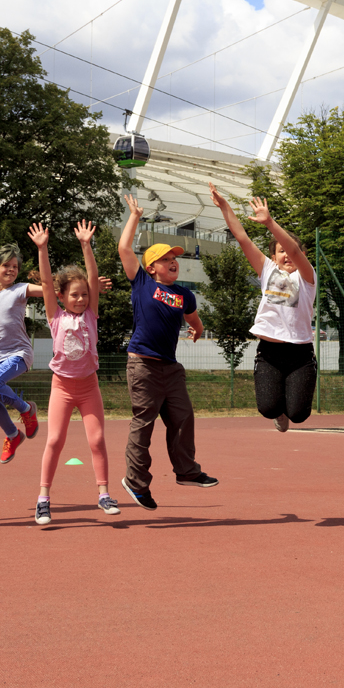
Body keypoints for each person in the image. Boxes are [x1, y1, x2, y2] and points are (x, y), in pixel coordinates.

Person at [117, 194, 216, 512]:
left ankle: (187, 471)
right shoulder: (142, 283)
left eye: (175, 258)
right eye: (165, 259)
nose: (173, 261)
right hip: (142, 365)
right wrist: (135, 216)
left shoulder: (184, 294)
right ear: (151, 267)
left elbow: (193, 319)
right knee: (143, 424)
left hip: (170, 368)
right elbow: (124, 249)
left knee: (183, 417)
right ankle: (136, 482)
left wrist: (197, 329)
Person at [28, 221, 119, 525]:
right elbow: (45, 280)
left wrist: (86, 245)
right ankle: (43, 499)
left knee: (97, 440)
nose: (81, 299)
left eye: (84, 295)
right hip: (62, 388)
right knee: (54, 440)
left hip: (89, 387)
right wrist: (42, 248)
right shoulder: (55, 316)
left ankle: (104, 494)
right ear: (62, 296)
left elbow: (92, 277)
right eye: (75, 295)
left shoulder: (91, 313)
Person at [209, 183, 316, 432]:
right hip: (270, 352)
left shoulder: (307, 277)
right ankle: (278, 411)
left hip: (300, 353)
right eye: (280, 252)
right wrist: (224, 206)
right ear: (274, 256)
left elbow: (294, 250)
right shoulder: (267, 269)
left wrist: (270, 223)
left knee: (299, 414)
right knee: (268, 408)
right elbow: (242, 237)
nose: (287, 255)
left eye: (292, 251)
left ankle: (290, 407)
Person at [0, 243, 41, 464]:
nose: (12, 270)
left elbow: (51, 291)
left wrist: (89, 286)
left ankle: (26, 409)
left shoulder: (20, 289)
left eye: (15, 266)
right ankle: (13, 435)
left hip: (19, 353)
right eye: (6, 265)